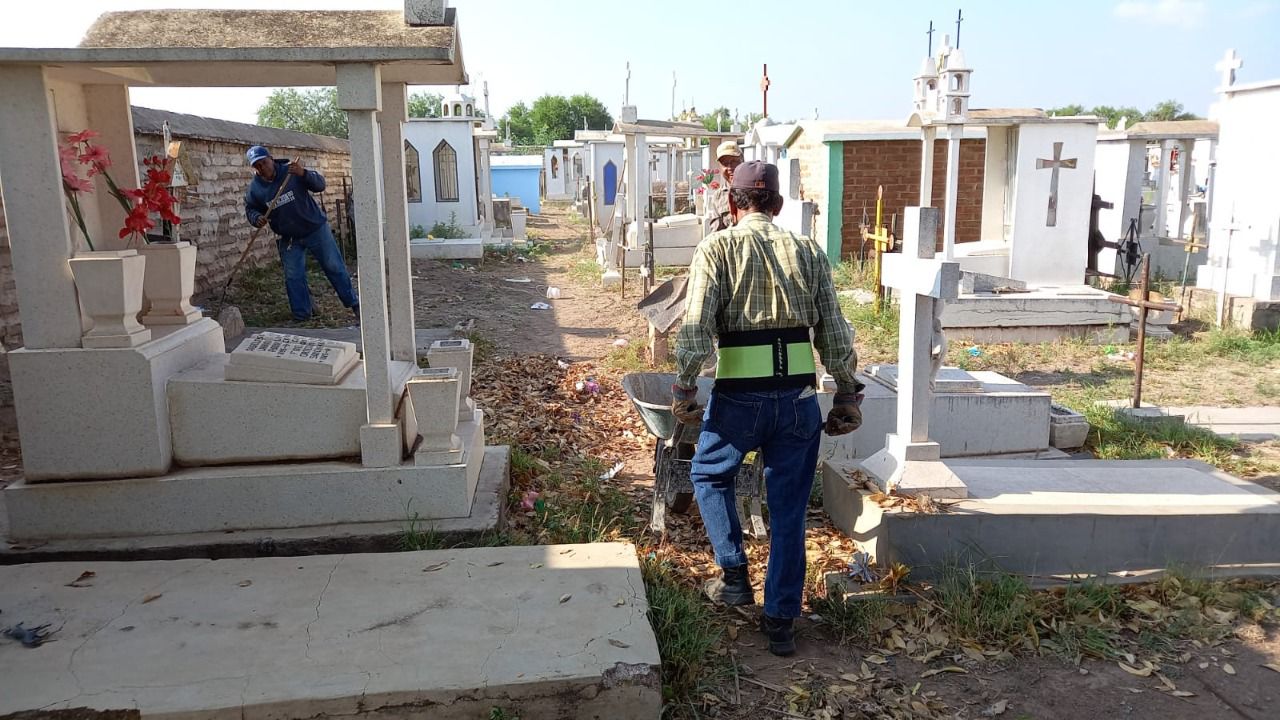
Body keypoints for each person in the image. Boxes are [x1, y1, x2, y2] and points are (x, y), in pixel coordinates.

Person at [671, 161, 864, 657]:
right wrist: (845, 392)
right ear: (778, 206)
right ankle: (781, 621)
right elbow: (835, 329)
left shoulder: (717, 247)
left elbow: (695, 326)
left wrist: (686, 388)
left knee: (711, 476)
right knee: (789, 510)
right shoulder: (806, 250)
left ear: (732, 204)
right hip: (798, 399)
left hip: (738, 398)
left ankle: (735, 574)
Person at [243, 145, 359, 323]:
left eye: (264, 163)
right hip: (289, 238)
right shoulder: (255, 189)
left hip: (315, 229)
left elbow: (320, 185)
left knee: (334, 266)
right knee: (293, 276)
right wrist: (256, 217)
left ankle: (355, 305)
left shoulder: (291, 172)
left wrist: (304, 173)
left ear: (271, 159)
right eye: (257, 166)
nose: (262, 168)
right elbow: (250, 208)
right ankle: (302, 315)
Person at [702, 141, 744, 235]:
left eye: (734, 162)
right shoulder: (718, 196)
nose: (730, 167)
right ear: (720, 167)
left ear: (742, 161)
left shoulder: (754, 191)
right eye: (725, 163)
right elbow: (716, 233)